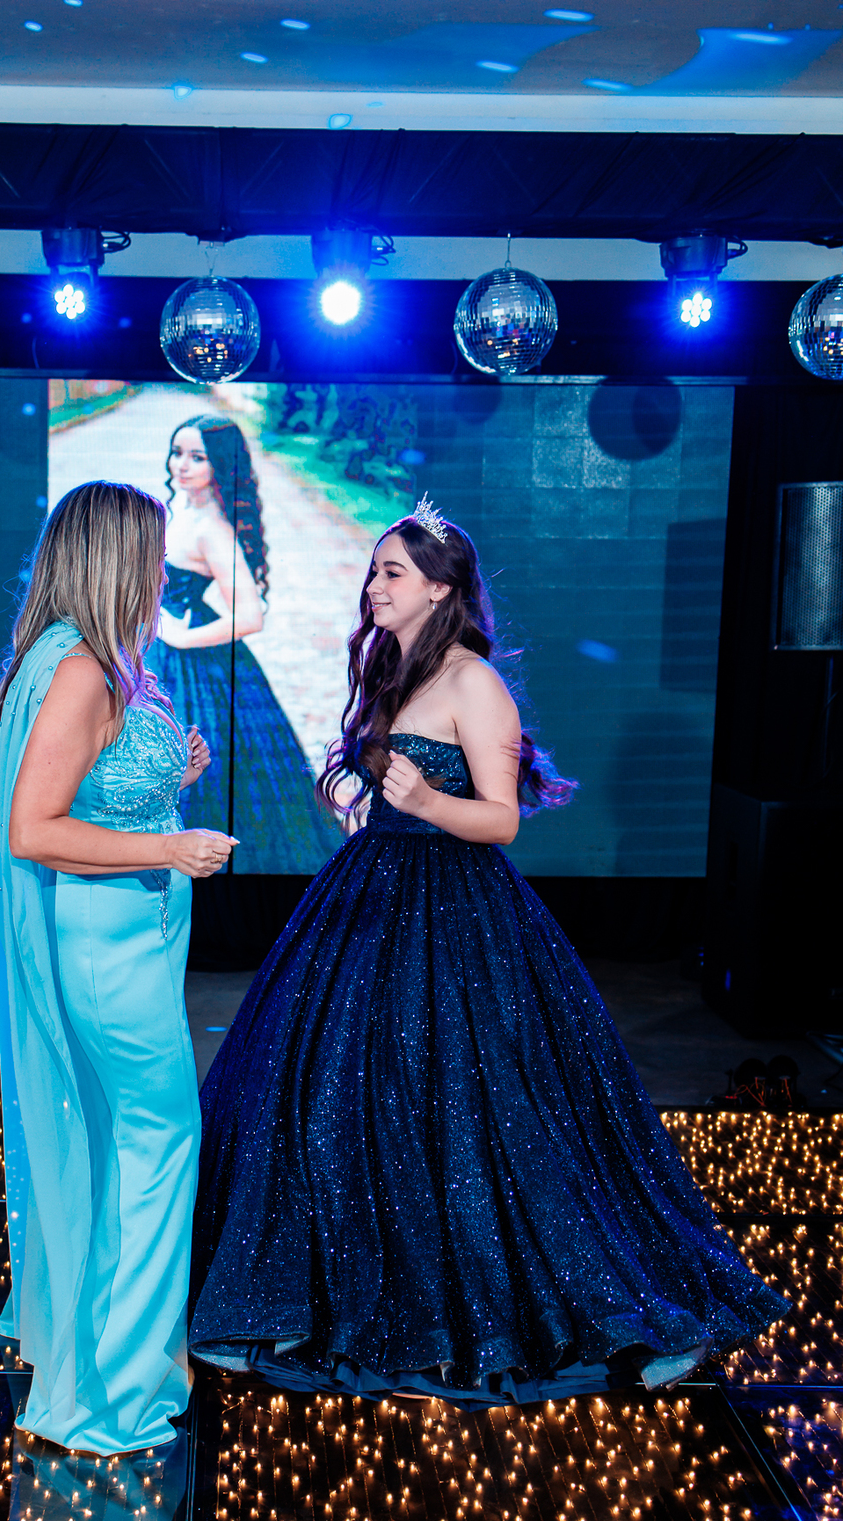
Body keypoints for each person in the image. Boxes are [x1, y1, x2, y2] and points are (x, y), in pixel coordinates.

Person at [189, 498, 789, 1408]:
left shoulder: (475, 683)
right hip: (371, 895)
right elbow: (394, 792)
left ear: (440, 589)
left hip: (456, 913)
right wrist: (368, 805)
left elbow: (501, 819)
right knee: (326, 1098)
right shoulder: (394, 668)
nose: (374, 585)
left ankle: (612, 1312)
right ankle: (294, 1302)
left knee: (483, 1116)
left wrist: (427, 804)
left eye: (392, 572)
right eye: (374, 570)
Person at [0, 480, 236, 1455]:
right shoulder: (83, 670)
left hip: (125, 939)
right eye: (151, 554)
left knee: (124, 1137)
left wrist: (167, 782)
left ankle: (108, 1345)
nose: (162, 572)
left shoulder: (81, 658)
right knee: (159, 1139)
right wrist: (170, 847)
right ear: (115, 560)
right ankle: (117, 1391)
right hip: (106, 949)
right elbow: (35, 829)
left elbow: (93, 790)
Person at [147, 414, 339, 875]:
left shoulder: (213, 529)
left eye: (197, 457)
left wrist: (180, 637)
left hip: (190, 661)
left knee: (210, 765)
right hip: (159, 649)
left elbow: (250, 615)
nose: (182, 464)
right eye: (177, 453)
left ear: (220, 464)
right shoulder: (179, 510)